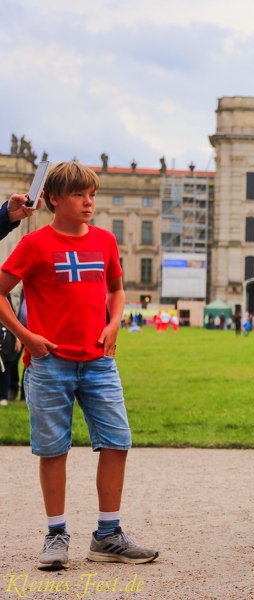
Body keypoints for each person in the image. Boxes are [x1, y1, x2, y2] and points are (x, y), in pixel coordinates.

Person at [0, 161, 158, 570]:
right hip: (49, 362)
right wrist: (27, 335)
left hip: (99, 362)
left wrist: (114, 323)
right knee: (53, 450)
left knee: (118, 442)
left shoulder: (105, 241)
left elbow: (117, 289)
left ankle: (108, 535)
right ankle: (56, 535)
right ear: (54, 199)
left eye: (92, 195)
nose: (89, 202)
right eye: (79, 195)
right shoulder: (34, 244)